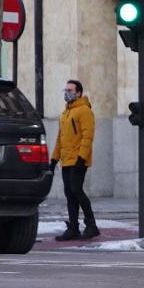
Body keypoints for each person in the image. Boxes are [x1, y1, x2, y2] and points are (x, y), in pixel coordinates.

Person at [50, 79, 99, 241]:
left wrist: (81, 158)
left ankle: (91, 225)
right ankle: (73, 228)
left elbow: (87, 136)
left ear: (79, 93)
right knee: (69, 194)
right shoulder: (65, 114)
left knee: (76, 191)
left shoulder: (84, 110)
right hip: (66, 160)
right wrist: (54, 160)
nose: (67, 93)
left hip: (78, 160)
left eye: (70, 90)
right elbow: (60, 139)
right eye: (66, 90)